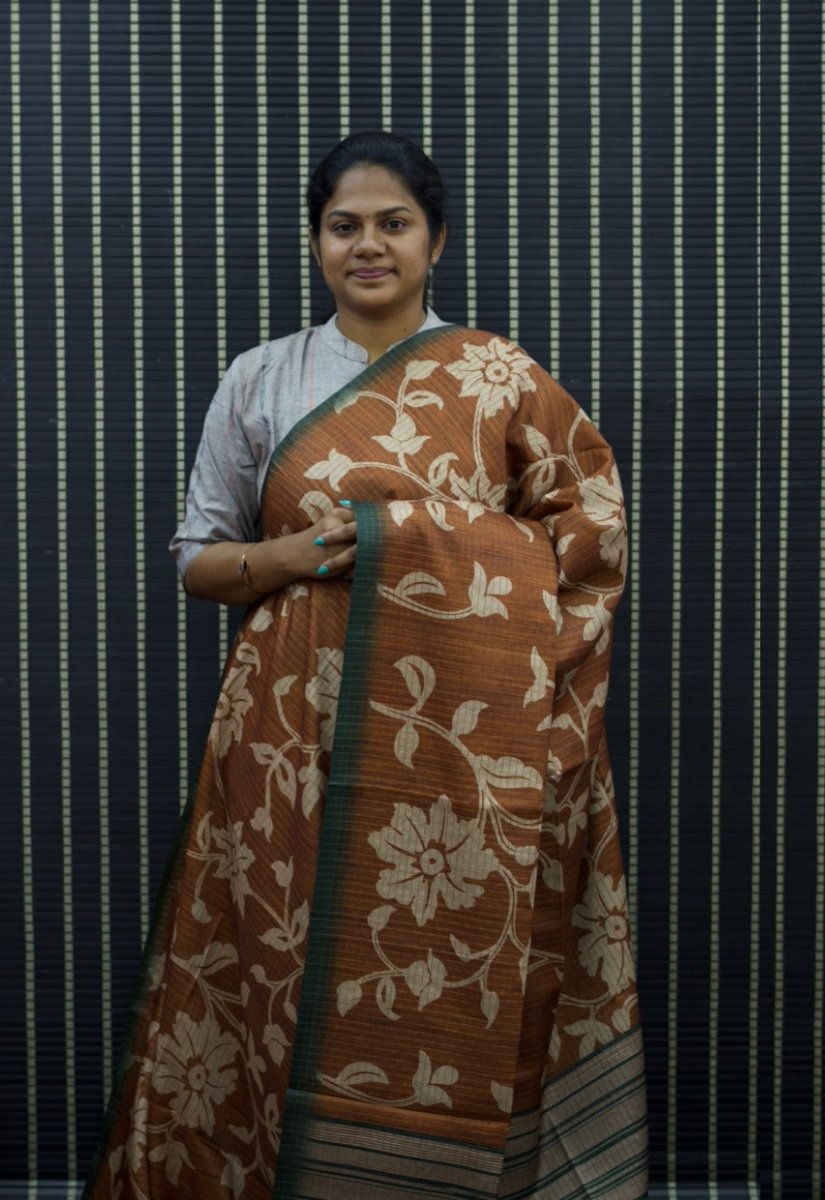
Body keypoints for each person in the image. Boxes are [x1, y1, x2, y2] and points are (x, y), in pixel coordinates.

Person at [83, 131, 647, 1199]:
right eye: (344, 226)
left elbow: (592, 534)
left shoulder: (500, 377)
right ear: (315, 242)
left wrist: (414, 540)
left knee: (443, 971)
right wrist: (290, 556)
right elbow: (197, 558)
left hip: (457, 745)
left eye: (394, 223)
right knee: (281, 968)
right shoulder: (261, 377)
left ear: (437, 240)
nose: (368, 245)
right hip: (286, 737)